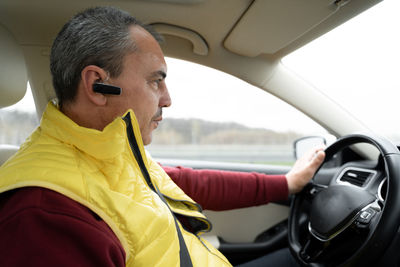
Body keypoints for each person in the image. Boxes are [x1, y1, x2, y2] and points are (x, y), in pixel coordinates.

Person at [0, 6, 325, 267]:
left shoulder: (107, 154)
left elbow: (187, 184)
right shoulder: (45, 215)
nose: (167, 99)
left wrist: (287, 184)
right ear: (97, 85)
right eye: (156, 81)